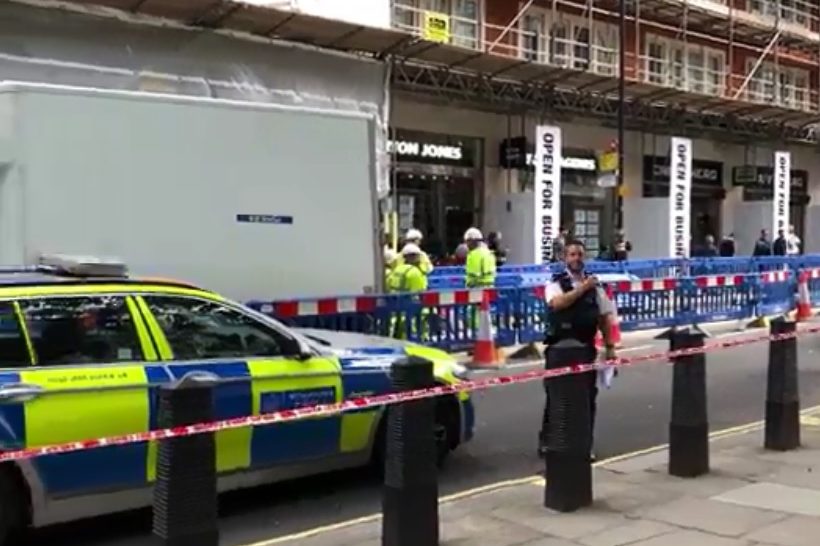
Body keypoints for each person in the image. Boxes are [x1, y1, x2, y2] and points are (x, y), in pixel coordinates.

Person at [538, 239, 617, 461]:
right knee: (556, 397)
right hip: (559, 349)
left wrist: (610, 347)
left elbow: (604, 317)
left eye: (580, 254)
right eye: (572, 254)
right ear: (565, 258)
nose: (576, 258)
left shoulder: (596, 287)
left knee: (587, 397)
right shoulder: (555, 282)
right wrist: (583, 288)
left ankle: (585, 444)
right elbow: (557, 303)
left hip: (585, 348)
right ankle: (549, 441)